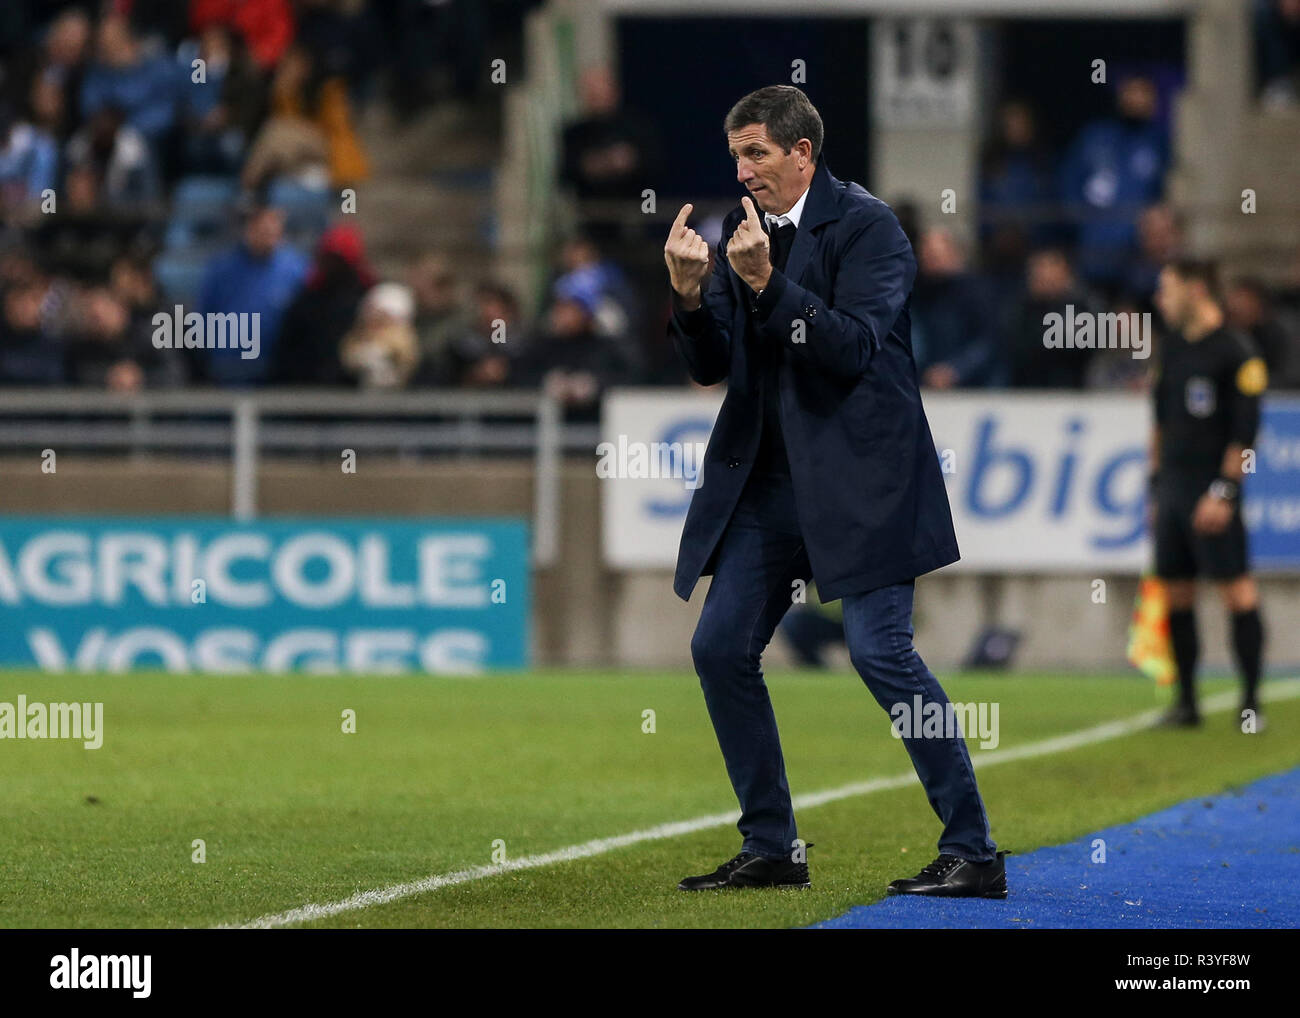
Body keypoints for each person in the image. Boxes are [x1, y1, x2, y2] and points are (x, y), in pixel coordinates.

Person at [663, 85, 1004, 897]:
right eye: (736, 155)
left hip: (864, 481)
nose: (743, 171)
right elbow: (710, 365)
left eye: (756, 153)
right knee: (718, 648)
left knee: (880, 652)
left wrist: (767, 284)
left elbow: (850, 348)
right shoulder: (742, 234)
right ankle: (773, 845)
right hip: (773, 484)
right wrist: (685, 295)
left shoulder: (870, 228)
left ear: (802, 152)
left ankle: (975, 852)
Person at [1149, 259, 1269, 728]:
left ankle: (1251, 702)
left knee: (1236, 590)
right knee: (1177, 592)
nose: (1161, 299)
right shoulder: (1173, 348)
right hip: (1174, 489)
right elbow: (1158, 423)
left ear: (1196, 290)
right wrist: (1156, 488)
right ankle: (1187, 702)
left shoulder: (1236, 351)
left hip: (1213, 488)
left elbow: (1245, 435)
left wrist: (1223, 494)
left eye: (1168, 289)